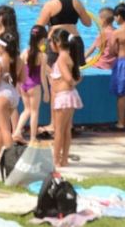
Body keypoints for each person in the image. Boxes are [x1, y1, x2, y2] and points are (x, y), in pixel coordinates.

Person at [50, 31, 84, 167]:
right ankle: (63, 159)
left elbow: (69, 78)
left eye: (51, 42)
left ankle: (56, 160)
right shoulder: (69, 56)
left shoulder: (61, 58)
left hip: (63, 97)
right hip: (69, 96)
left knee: (58, 130)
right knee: (66, 129)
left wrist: (73, 83)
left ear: (57, 43)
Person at [13, 25, 49, 144]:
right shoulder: (43, 56)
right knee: (34, 112)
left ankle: (17, 131)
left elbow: (19, 70)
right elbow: (43, 76)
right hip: (35, 86)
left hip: (24, 85)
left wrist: (18, 85)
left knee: (26, 110)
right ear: (43, 40)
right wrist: (46, 92)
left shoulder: (24, 52)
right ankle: (33, 137)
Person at [0, 32, 21, 160]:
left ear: (2, 47)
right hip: (14, 95)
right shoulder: (19, 60)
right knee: (0, 126)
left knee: (5, 129)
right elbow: (22, 79)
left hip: (1, 95)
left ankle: (12, 159)